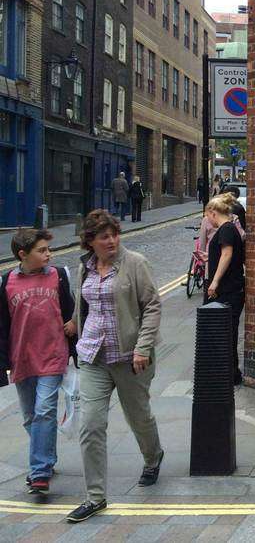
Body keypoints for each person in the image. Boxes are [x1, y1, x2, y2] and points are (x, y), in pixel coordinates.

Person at [67, 210, 163, 523]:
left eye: (113, 234)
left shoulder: (135, 263)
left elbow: (152, 306)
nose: (111, 241)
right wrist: (74, 330)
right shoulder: (85, 267)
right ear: (90, 241)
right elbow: (84, 306)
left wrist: (143, 348)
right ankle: (95, 497)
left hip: (129, 357)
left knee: (139, 417)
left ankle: (153, 456)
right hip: (93, 356)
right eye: (103, 236)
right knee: (91, 425)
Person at [0, 229, 76, 495]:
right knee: (31, 417)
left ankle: (40, 473)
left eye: (48, 250)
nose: (48, 254)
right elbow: (2, 325)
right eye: (42, 250)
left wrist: (72, 327)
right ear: (23, 254)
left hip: (52, 355)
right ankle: (47, 457)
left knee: (44, 411)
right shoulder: (7, 281)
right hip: (21, 358)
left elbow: (70, 311)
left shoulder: (58, 276)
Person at [204, 196, 246, 386]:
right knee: (223, 331)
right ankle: (228, 373)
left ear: (213, 213)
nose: (208, 221)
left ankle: (230, 375)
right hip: (227, 289)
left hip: (227, 290)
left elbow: (227, 254)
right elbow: (223, 254)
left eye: (208, 216)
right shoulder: (228, 229)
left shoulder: (227, 228)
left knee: (225, 332)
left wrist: (214, 282)